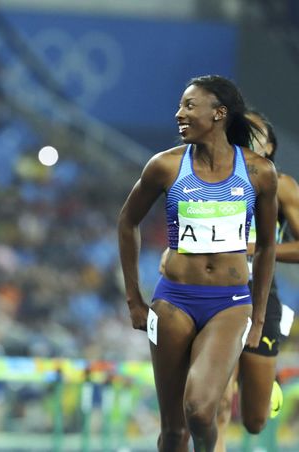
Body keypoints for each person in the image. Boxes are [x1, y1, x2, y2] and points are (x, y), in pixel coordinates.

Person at [117, 75, 278, 452]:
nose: (179, 114)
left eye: (189, 106)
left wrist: (257, 317)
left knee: (201, 411)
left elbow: (268, 246)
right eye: (180, 106)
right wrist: (134, 300)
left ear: (219, 113)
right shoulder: (165, 167)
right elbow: (127, 223)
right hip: (173, 301)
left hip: (230, 305)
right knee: (174, 431)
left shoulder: (258, 173)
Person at [214, 111, 297, 451]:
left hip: (259, 295)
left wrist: (255, 247)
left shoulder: (283, 186)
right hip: (213, 294)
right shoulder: (208, 180)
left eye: (255, 134)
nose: (246, 139)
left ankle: (265, 384)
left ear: (270, 147)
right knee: (215, 403)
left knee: (254, 419)